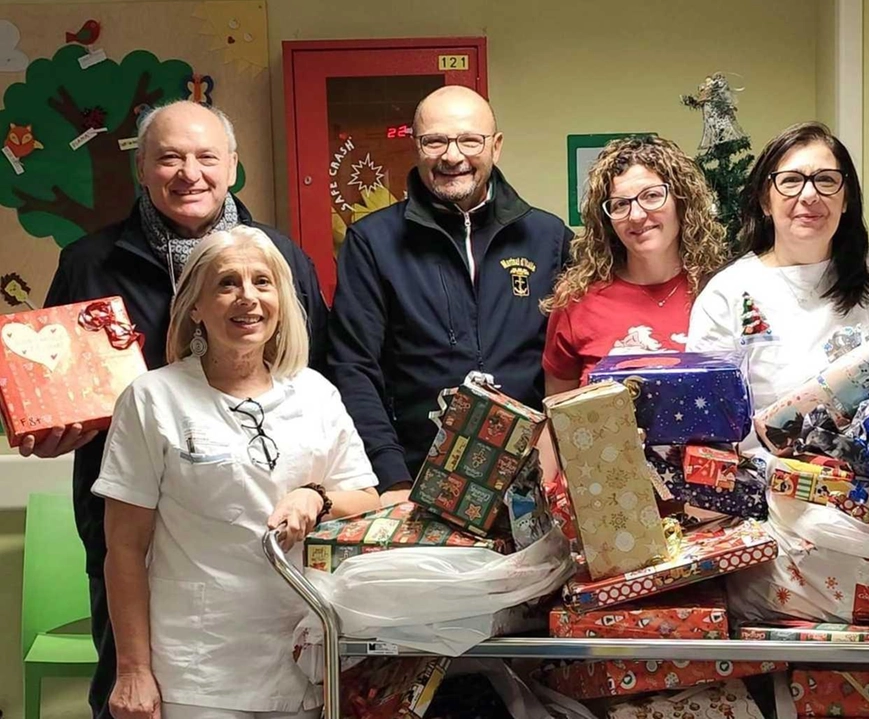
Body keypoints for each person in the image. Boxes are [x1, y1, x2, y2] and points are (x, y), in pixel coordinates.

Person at [20, 100, 328, 719]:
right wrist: (53, 431)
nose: (189, 173)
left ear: (233, 167)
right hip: (129, 518)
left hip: (255, 524)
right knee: (133, 689)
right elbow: (51, 386)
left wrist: (319, 490)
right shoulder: (89, 262)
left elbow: (309, 374)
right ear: (142, 170)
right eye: (169, 158)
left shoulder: (281, 259)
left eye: (206, 157)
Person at [93, 227, 380, 719]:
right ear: (195, 306)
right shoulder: (153, 399)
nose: (247, 298)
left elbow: (368, 497)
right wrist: (133, 669)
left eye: (262, 282)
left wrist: (316, 497)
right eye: (226, 283)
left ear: (282, 300)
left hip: (304, 662)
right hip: (198, 670)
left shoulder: (315, 394)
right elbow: (123, 547)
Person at [329, 86, 573, 503]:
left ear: (495, 147)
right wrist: (391, 479)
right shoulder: (372, 242)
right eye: (435, 140)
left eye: (469, 140)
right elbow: (353, 367)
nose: (452, 155)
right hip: (417, 482)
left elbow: (573, 359)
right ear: (416, 147)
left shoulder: (549, 238)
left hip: (539, 482)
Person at [686, 121, 869, 413]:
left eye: (826, 180)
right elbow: (710, 410)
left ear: (846, 199)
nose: (809, 195)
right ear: (765, 201)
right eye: (791, 180)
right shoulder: (725, 295)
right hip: (763, 457)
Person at [540, 135, 728, 391]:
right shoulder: (576, 300)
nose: (637, 215)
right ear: (607, 220)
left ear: (681, 202)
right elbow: (559, 410)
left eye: (651, 196)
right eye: (620, 205)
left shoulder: (721, 292)